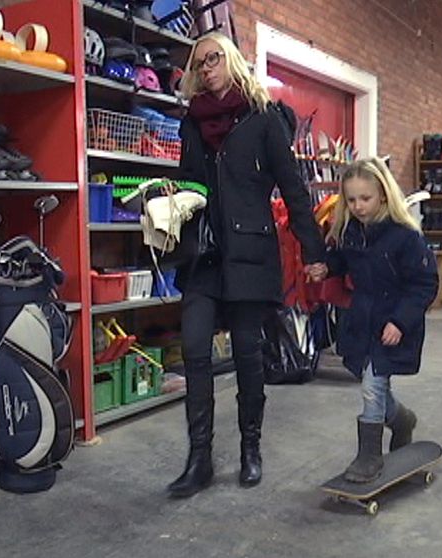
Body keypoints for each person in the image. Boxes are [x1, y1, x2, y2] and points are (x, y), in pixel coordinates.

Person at [167, 32, 327, 497]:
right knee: (195, 351)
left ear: (232, 61)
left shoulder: (264, 121)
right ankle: (199, 460)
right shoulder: (191, 124)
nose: (208, 67)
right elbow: (190, 184)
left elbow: (294, 190)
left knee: (248, 355)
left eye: (214, 58)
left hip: (250, 255)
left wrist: (313, 251)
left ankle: (250, 450)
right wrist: (170, 203)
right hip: (203, 255)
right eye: (200, 63)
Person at [320, 157, 438, 482]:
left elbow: (425, 284)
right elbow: (342, 261)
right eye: (351, 199)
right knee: (371, 382)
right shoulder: (350, 232)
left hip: (394, 323)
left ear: (383, 195)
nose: (357, 206)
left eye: (365, 198)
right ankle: (402, 421)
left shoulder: (406, 237)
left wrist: (400, 322)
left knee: (372, 386)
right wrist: (326, 267)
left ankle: (369, 456)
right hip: (362, 321)